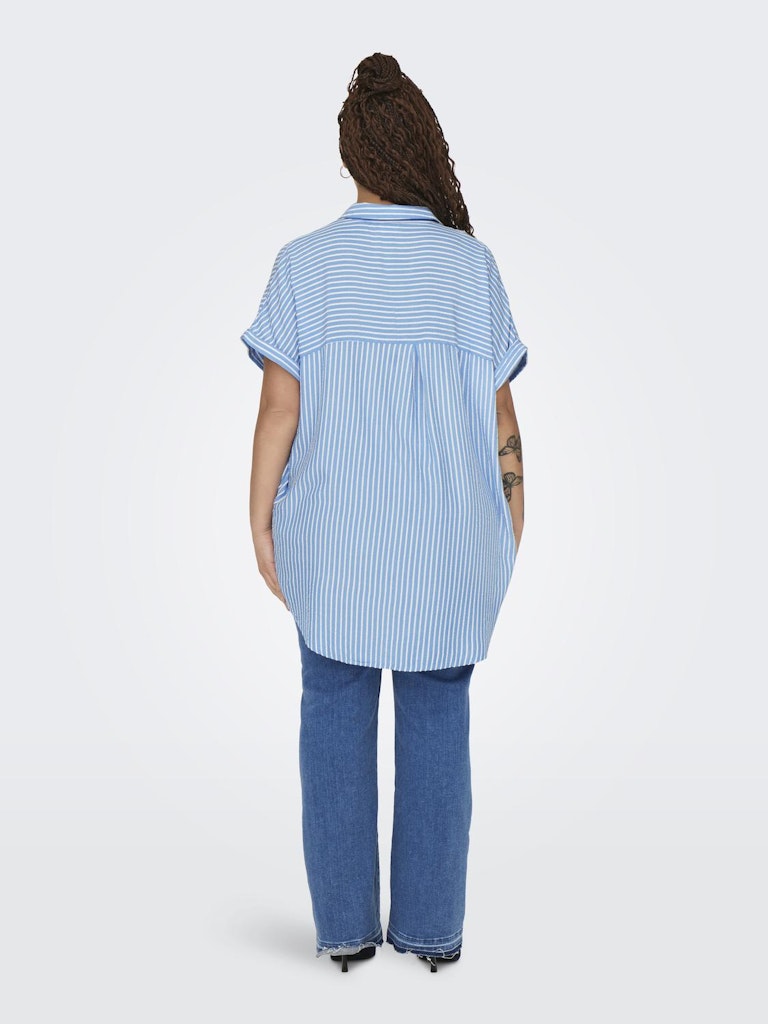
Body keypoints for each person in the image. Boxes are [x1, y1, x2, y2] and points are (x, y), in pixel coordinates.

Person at [240, 52, 527, 973]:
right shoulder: (471, 269)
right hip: (449, 544)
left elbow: (278, 409)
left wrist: (259, 522)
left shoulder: (304, 266)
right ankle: (432, 934)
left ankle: (344, 932)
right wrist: (511, 524)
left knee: (333, 714)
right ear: (421, 148)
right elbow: (503, 419)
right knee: (440, 720)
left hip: (334, 541)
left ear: (349, 153)